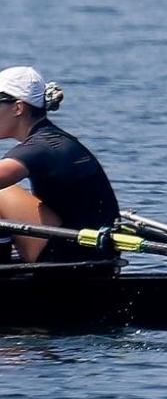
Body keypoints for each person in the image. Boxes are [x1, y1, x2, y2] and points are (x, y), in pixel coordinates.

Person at [0, 66, 120, 263]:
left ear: (18, 108)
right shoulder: (51, 138)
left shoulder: (43, 147)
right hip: (87, 251)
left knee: (1, 193)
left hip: (70, 256)